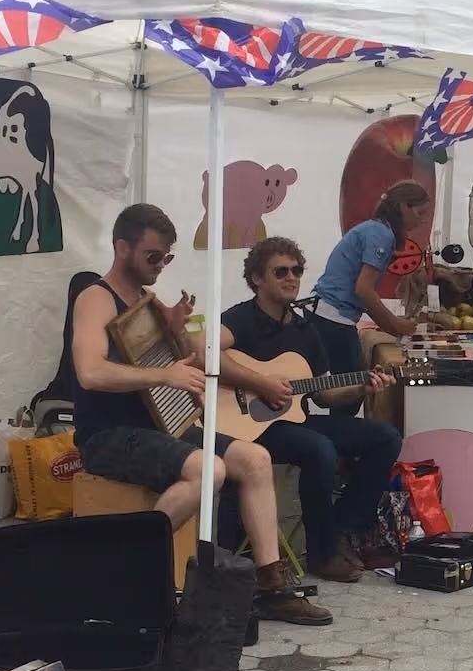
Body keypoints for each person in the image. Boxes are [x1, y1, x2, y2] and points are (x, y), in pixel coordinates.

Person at [70, 203, 330, 626]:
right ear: (122, 248)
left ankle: (271, 585)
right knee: (210, 470)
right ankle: (128, 565)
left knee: (254, 459)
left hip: (157, 427)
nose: (161, 265)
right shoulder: (95, 299)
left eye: (167, 257)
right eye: (153, 256)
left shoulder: (147, 300)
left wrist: (174, 329)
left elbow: (196, 351)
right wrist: (165, 374)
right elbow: (90, 372)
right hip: (109, 434)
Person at [222, 236, 401, 583]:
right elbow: (205, 352)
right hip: (248, 428)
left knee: (385, 437)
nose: (292, 278)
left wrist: (361, 386)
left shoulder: (306, 328)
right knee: (319, 448)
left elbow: (323, 395)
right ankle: (322, 554)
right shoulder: (241, 318)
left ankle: (340, 527)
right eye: (281, 271)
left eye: (297, 270)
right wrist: (260, 384)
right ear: (257, 278)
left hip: (292, 420)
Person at [311, 182, 438, 381]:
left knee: (348, 387)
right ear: (404, 207)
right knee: (353, 387)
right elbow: (363, 289)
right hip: (334, 318)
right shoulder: (381, 235)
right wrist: (395, 324)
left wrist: (392, 325)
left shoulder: (375, 229)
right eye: (420, 212)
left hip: (328, 314)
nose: (422, 220)